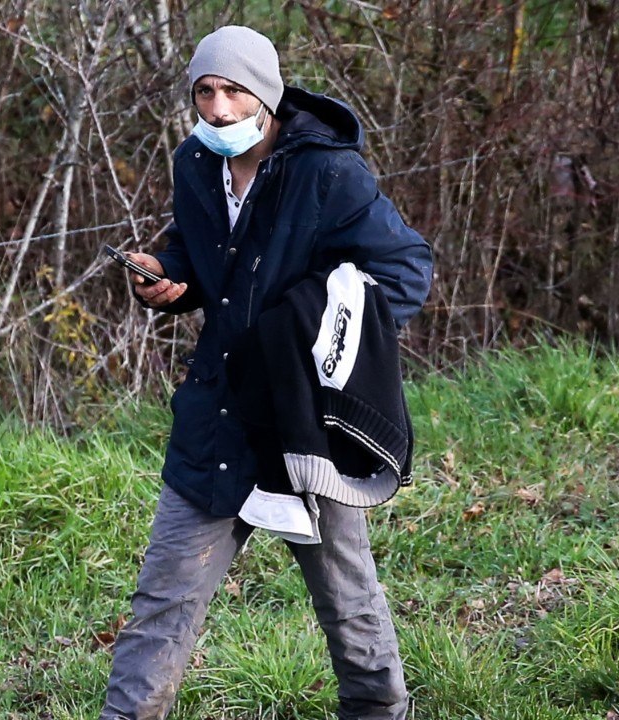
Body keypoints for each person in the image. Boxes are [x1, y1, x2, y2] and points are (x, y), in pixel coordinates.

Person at [102, 25, 433, 720]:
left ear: (267, 93)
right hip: (216, 418)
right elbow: (204, 261)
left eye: (234, 90)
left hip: (304, 426)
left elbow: (405, 272)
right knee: (161, 600)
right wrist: (169, 279)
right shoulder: (194, 163)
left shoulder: (328, 172)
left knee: (349, 604)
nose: (219, 108)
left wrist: (316, 336)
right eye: (205, 91)